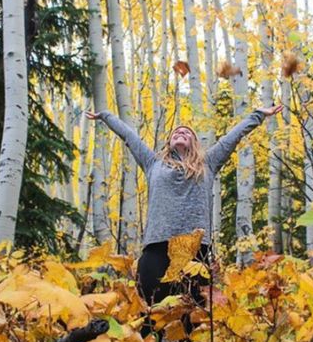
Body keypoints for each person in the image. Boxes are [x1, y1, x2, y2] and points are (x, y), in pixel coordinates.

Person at [87, 105, 284, 308]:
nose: (181, 132)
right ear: (169, 142)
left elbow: (232, 137)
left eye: (187, 133)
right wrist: (105, 115)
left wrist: (258, 115)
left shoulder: (208, 163)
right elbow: (129, 136)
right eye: (176, 132)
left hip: (195, 248)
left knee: (192, 310)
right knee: (150, 308)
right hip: (157, 245)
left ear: (194, 142)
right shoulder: (153, 163)